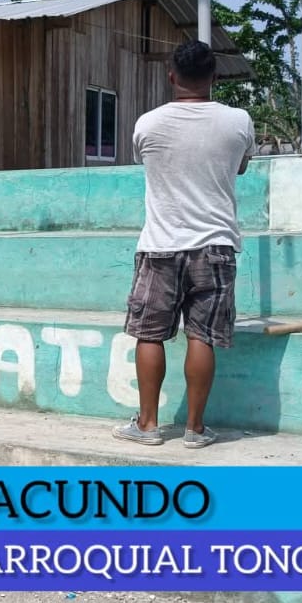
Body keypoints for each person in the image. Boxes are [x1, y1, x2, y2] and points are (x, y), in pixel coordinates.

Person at [113, 40, 256, 449]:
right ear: (215, 77)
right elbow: (241, 166)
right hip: (215, 246)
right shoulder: (238, 121)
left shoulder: (148, 123)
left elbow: (146, 160)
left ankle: (147, 425)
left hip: (160, 245)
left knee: (149, 335)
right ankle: (195, 429)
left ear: (172, 76)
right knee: (201, 336)